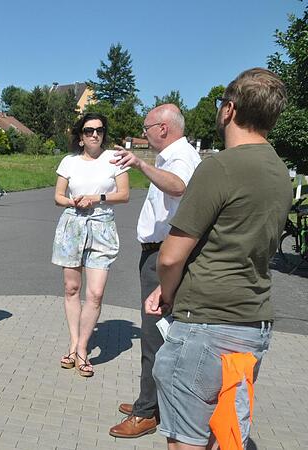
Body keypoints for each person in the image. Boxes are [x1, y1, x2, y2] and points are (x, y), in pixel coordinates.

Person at [147, 68, 291, 450]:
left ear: (229, 109)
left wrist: (166, 294)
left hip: (206, 323)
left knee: (187, 441)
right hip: (253, 322)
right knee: (223, 434)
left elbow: (170, 257)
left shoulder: (219, 166)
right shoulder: (280, 172)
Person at [107, 105, 201, 438]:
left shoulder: (180, 157)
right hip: (157, 252)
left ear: (163, 128)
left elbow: (179, 186)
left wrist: (141, 165)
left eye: (146, 128)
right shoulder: (171, 156)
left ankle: (147, 412)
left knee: (154, 335)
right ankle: (151, 401)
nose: (143, 133)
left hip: (164, 254)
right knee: (157, 334)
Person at [52, 112, 129, 377]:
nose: (94, 134)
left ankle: (83, 349)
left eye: (99, 130)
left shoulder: (114, 159)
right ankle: (74, 344)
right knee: (71, 288)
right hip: (73, 225)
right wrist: (73, 201)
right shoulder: (69, 161)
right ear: (80, 136)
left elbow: (124, 195)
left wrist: (97, 198)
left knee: (95, 293)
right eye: (88, 130)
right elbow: (58, 196)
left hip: (102, 227)